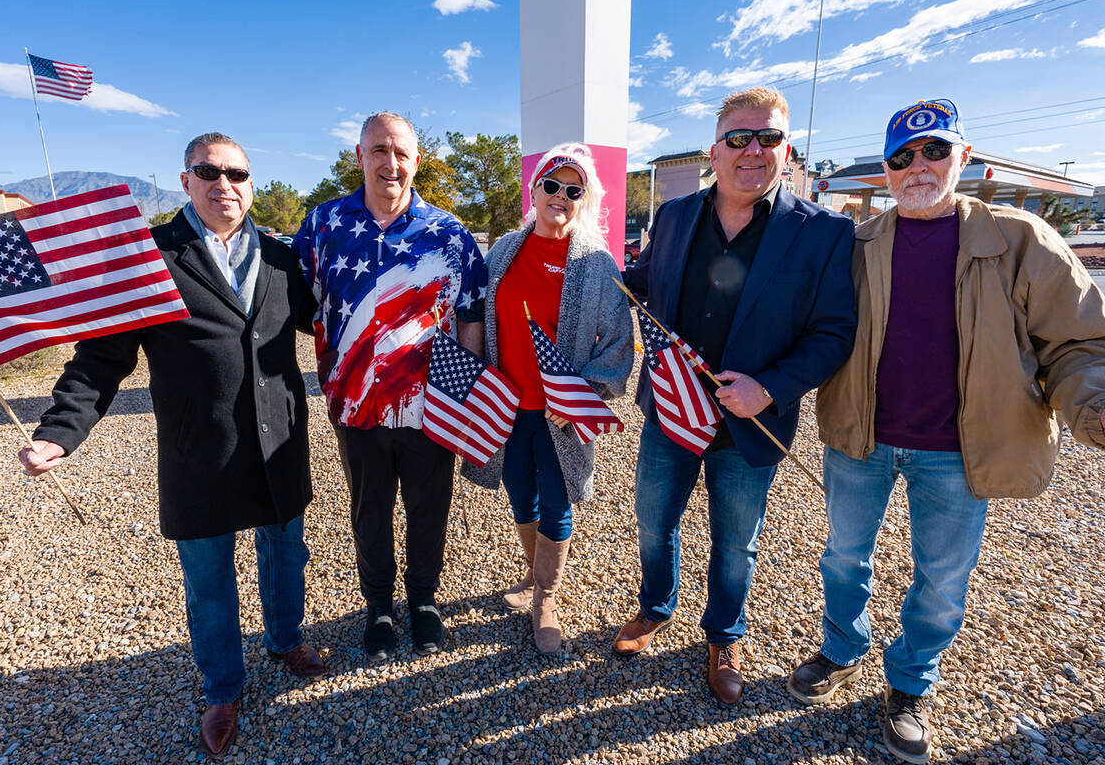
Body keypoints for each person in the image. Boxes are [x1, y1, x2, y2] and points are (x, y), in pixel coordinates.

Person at [787, 98, 1105, 764]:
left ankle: (908, 683)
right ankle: (842, 646)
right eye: (901, 158)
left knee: (942, 578)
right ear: (886, 172)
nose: (918, 167)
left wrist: (1093, 409)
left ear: (964, 157)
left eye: (934, 151)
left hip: (961, 452)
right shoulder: (858, 243)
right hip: (860, 437)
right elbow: (808, 323)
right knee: (844, 555)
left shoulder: (1019, 239)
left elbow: (1077, 344)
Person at [18, 133, 325, 758]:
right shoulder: (151, 258)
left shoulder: (279, 257)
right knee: (209, 579)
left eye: (237, 172)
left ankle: (285, 636)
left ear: (250, 181)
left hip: (278, 441)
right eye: (208, 171)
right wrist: (60, 430)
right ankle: (222, 688)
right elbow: (103, 358)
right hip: (198, 450)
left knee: (284, 551)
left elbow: (327, 320)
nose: (225, 184)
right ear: (185, 180)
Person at [615, 87, 857, 705]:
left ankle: (724, 635)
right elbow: (640, 286)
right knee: (652, 522)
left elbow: (833, 332)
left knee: (735, 541)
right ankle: (655, 606)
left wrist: (768, 387)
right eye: (738, 138)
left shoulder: (824, 232)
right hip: (670, 410)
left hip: (750, 422)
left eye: (768, 138)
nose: (753, 150)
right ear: (714, 151)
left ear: (788, 149)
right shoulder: (672, 217)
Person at [293, 112, 487, 662]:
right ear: (360, 157)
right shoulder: (323, 225)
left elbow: (471, 316)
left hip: (430, 407)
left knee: (430, 507)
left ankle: (424, 600)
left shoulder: (450, 234)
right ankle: (378, 605)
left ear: (416, 161)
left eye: (401, 152)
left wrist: (463, 395)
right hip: (355, 406)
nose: (390, 163)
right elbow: (286, 302)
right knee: (368, 508)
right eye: (379, 150)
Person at [463, 143, 633, 653]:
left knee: (558, 503)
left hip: (560, 412)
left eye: (573, 189)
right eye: (552, 185)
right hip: (507, 406)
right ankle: (533, 576)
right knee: (520, 494)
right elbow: (477, 317)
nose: (560, 196)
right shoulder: (504, 251)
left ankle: (547, 597)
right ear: (534, 190)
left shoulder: (596, 264)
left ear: (585, 197)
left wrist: (585, 391)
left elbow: (618, 341)